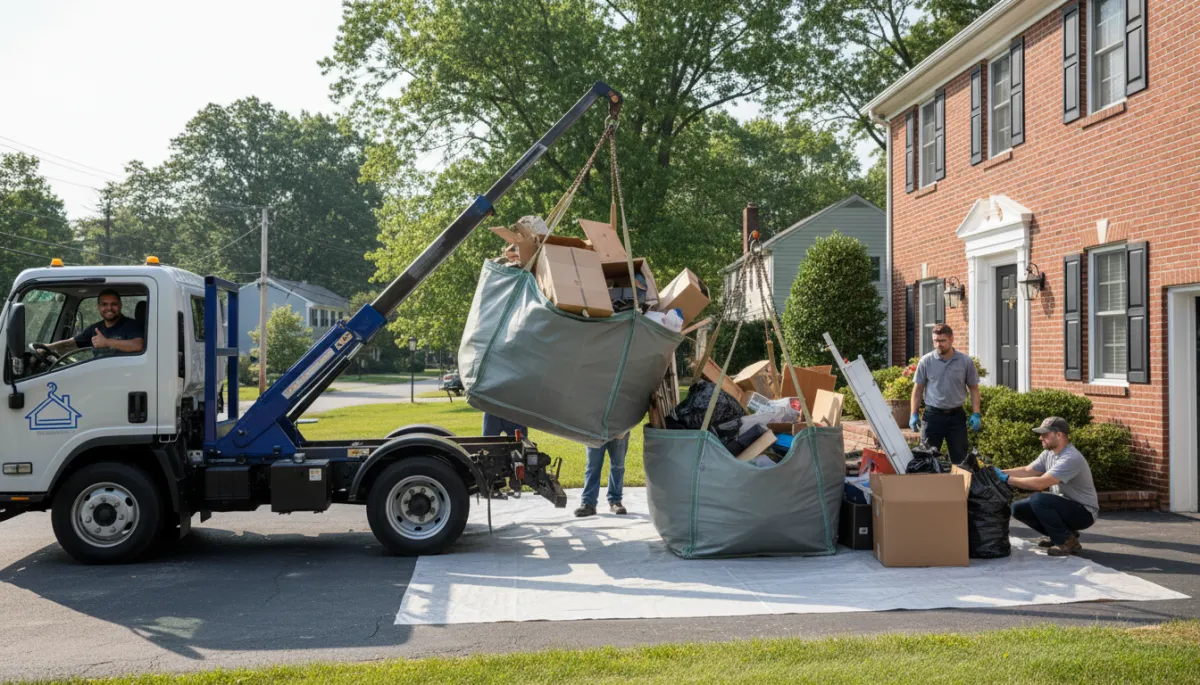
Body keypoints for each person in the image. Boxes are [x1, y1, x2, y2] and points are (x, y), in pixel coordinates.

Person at [995, 417, 1099, 557]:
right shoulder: (1049, 453)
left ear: (1059, 435)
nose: (1040, 438)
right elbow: (1028, 471)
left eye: (1045, 434)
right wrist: (998, 472)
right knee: (1018, 508)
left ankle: (1065, 542)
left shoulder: (1070, 458)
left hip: (1084, 513)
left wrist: (1007, 479)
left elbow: (1040, 484)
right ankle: (1066, 534)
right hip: (1066, 506)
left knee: (1039, 500)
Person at [909, 323, 981, 464]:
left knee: (960, 460)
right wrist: (913, 413)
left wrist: (976, 413)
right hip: (932, 417)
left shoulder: (965, 362)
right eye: (936, 341)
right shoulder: (926, 361)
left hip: (956, 417)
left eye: (942, 341)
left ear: (951, 339)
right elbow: (918, 390)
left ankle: (958, 486)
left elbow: (974, 389)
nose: (938, 344)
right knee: (926, 460)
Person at [46, 289, 144, 358]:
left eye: (114, 304)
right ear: (98, 307)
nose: (109, 308)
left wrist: (106, 342)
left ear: (120, 306)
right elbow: (69, 343)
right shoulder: (95, 328)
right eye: (104, 304)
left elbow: (138, 345)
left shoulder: (132, 325)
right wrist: (47, 348)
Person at [575, 432, 630, 517]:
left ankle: (615, 501)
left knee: (618, 466)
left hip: (620, 427)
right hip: (595, 429)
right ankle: (588, 504)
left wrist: (625, 428)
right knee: (593, 465)